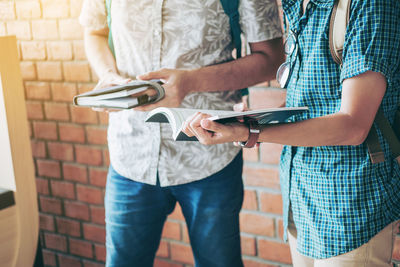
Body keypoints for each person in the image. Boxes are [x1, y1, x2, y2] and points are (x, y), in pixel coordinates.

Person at [183, 0, 400, 266]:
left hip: (351, 206)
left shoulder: (371, 5)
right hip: (300, 197)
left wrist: (253, 131)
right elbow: (316, 102)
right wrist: (247, 121)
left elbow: (353, 126)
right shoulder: (296, 5)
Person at [79, 1, 284, 266]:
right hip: (130, 154)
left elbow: (271, 59)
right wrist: (108, 75)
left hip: (210, 156)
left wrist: (190, 82)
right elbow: (93, 31)